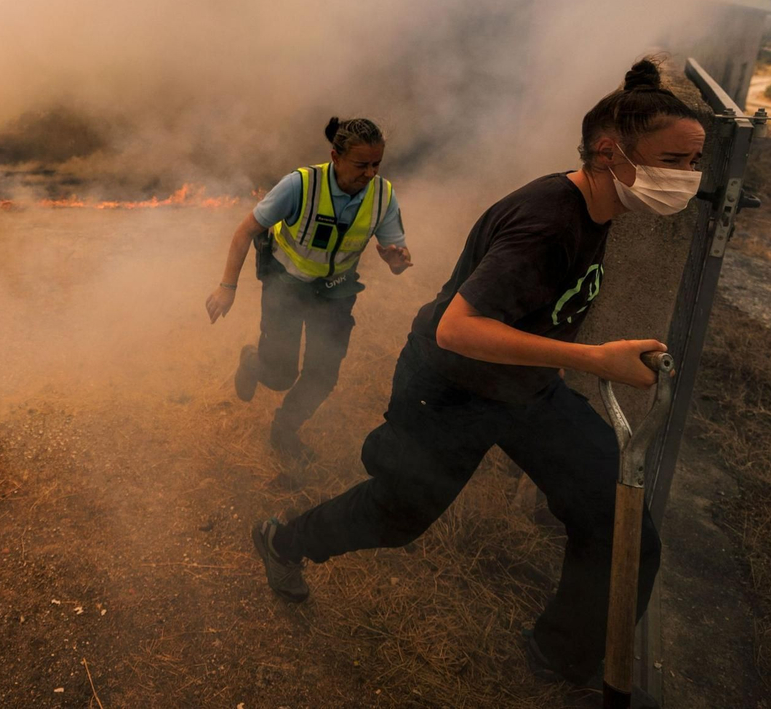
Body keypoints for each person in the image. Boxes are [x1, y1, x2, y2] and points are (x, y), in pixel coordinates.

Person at [249, 58, 704, 696]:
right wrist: (595, 360)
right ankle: (283, 539)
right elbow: (457, 329)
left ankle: (561, 661)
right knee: (397, 515)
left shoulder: (602, 208)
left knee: (617, 521)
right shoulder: (546, 221)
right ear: (611, 153)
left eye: (694, 162)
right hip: (451, 388)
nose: (688, 178)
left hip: (526, 387)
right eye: (674, 161)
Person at [206, 116, 412, 460]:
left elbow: (397, 262)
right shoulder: (300, 185)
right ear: (335, 156)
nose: (370, 173)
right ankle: (254, 362)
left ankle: (285, 430)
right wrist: (227, 286)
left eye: (377, 164)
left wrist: (397, 261)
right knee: (280, 375)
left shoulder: (383, 196)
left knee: (323, 374)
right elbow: (245, 232)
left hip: (335, 293)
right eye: (361, 164)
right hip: (285, 287)